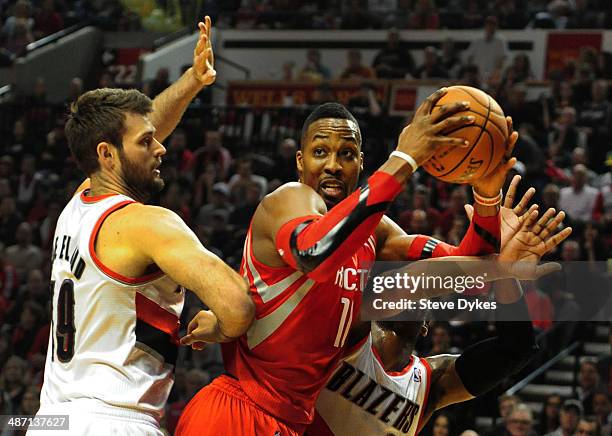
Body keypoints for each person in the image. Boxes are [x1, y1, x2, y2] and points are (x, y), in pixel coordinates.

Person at [176, 88, 533, 435]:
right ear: (300, 161)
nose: (333, 165)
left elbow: (468, 260)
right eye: (320, 151)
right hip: (238, 409)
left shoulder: (374, 233)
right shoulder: (287, 200)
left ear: (360, 163)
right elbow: (314, 254)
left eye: (347, 154)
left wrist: (487, 194)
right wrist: (405, 159)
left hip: (290, 422)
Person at [31, 17, 255, 435]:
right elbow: (238, 306)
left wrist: (192, 80)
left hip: (53, 419)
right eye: (147, 142)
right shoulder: (147, 224)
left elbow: (138, 131)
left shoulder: (80, 202)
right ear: (108, 154)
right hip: (116, 421)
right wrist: (219, 326)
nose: (162, 147)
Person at [309, 179, 572, 435]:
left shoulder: (430, 381)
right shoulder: (347, 331)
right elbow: (412, 278)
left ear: (426, 324)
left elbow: (517, 348)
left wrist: (504, 271)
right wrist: (491, 263)